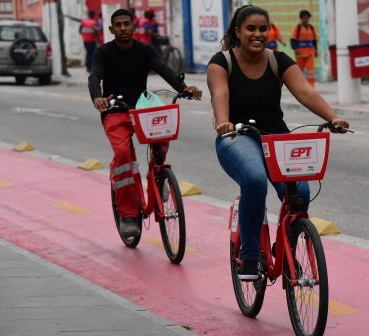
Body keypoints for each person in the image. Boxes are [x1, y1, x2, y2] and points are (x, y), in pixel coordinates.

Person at [207, 5, 349, 280]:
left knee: (301, 194)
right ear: (238, 31)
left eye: (263, 29)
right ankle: (249, 256)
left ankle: (286, 247)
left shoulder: (278, 60)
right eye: (251, 29)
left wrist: (333, 118)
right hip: (236, 136)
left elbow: (305, 91)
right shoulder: (221, 62)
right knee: (255, 180)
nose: (258, 34)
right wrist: (222, 121)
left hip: (276, 136)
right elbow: (219, 94)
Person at [88, 9, 202, 237]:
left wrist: (184, 89)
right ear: (111, 30)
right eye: (117, 25)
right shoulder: (103, 52)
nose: (122, 29)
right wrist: (97, 97)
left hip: (141, 109)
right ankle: (128, 214)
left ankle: (159, 178)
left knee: (163, 133)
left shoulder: (145, 50)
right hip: (115, 111)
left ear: (134, 26)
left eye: (126, 24)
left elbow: (163, 69)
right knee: (123, 156)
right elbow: (94, 76)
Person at [291, 10, 317, 87]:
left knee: (311, 71)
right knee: (299, 71)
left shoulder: (311, 28)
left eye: (307, 18)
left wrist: (316, 50)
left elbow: (314, 40)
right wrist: (295, 49)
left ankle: (311, 86)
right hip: (300, 54)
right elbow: (293, 40)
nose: (306, 20)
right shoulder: (297, 28)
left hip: (310, 53)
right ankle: (298, 86)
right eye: (304, 18)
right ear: (301, 19)